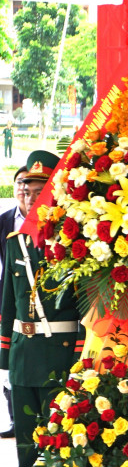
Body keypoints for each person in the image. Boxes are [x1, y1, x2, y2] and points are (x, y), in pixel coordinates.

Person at [0, 152, 82, 467]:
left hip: (61, 361)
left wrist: (82, 364)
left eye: (40, 190)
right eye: (26, 190)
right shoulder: (15, 245)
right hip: (22, 359)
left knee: (61, 450)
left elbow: (86, 311)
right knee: (27, 452)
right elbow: (7, 308)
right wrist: (3, 365)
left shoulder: (75, 245)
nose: (31, 197)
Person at [0, 166, 29, 439]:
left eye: (28, 184)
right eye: (19, 183)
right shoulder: (5, 220)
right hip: (9, 299)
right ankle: (14, 419)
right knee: (8, 363)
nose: (23, 189)